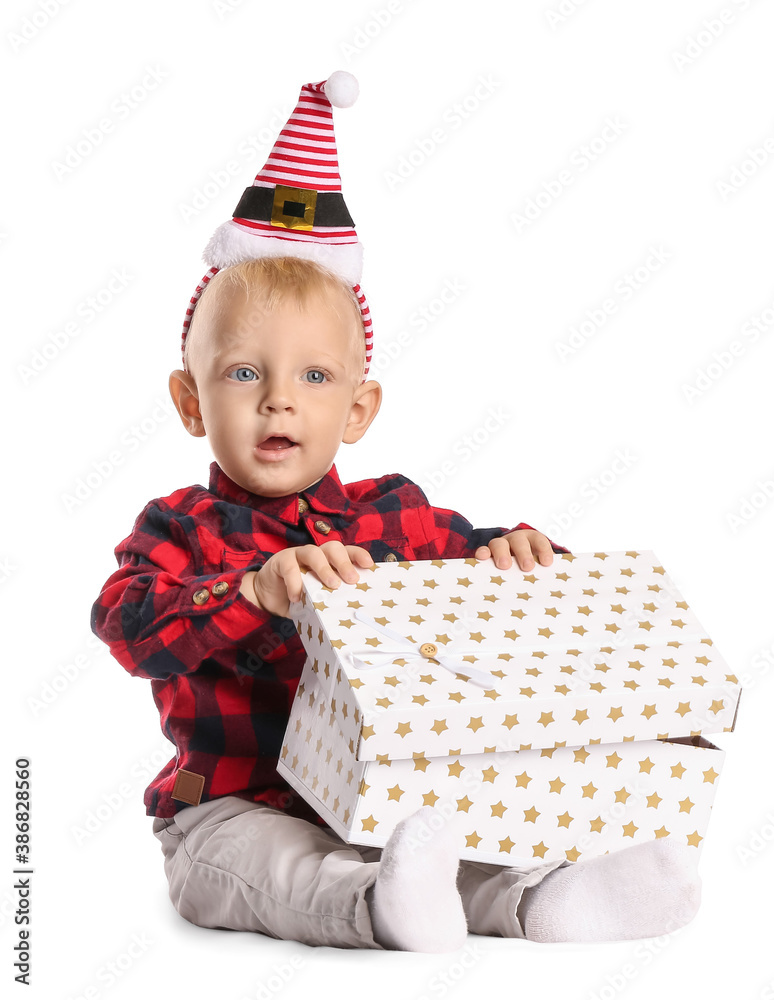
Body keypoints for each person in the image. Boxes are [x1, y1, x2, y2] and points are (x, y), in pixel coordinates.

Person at [90, 72, 701, 953]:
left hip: (381, 802)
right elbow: (127, 625)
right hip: (230, 805)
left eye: (312, 377)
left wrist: (517, 552)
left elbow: (478, 556)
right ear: (191, 403)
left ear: (357, 409)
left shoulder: (394, 516)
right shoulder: (179, 529)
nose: (277, 405)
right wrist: (252, 591)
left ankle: (548, 899)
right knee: (272, 867)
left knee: (453, 841)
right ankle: (378, 910)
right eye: (242, 374)